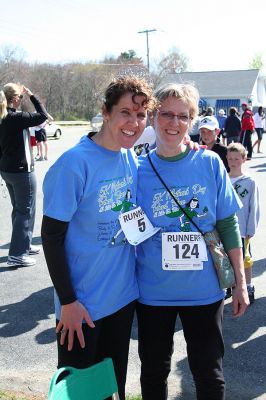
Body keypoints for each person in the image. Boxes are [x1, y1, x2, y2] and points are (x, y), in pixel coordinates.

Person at [41, 76, 155, 400]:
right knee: (79, 393)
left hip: (121, 299)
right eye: (125, 113)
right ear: (105, 112)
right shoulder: (74, 164)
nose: (134, 123)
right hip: (82, 308)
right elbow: (51, 237)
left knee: (111, 388)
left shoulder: (129, 158)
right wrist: (68, 303)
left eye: (141, 114)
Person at [136, 82, 249, 400]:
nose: (174, 123)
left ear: (192, 120)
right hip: (153, 292)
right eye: (167, 115)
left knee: (209, 374)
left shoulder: (210, 163)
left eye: (183, 116)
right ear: (154, 117)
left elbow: (228, 225)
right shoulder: (138, 169)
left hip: (204, 291)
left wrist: (239, 283)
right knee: (154, 373)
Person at [0, 83, 48, 267]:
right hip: (21, 172)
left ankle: (23, 245)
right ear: (14, 99)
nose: (22, 99)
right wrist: (32, 95)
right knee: (25, 211)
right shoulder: (15, 117)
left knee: (20, 210)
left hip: (7, 170)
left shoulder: (3, 117)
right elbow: (43, 115)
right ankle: (17, 255)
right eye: (20, 97)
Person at [227, 143, 260, 303]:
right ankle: (231, 285)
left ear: (244, 159)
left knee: (246, 259)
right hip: (225, 228)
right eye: (230, 158)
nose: (233, 162)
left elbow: (254, 206)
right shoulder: (223, 179)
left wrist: (251, 227)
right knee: (227, 258)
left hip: (242, 228)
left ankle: (248, 286)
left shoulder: (250, 182)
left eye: (237, 159)